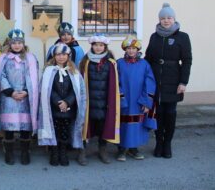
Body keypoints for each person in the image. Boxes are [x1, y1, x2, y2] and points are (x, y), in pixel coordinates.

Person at [145, 3, 192, 159]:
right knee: (158, 113)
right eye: (163, 18)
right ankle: (158, 142)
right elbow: (148, 58)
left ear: (174, 19)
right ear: (159, 19)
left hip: (174, 81)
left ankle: (167, 144)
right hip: (156, 81)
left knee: (170, 113)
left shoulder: (182, 37)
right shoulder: (154, 36)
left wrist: (183, 83)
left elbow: (187, 61)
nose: (166, 21)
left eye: (169, 18)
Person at [0, 29, 39, 165]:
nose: (17, 45)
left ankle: (25, 152)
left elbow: (34, 76)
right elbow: (0, 76)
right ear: (9, 44)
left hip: (26, 96)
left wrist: (26, 91)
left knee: (25, 127)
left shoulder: (31, 58)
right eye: (14, 43)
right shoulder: (3, 58)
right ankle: (9, 152)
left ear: (23, 44)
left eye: (19, 43)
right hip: (9, 98)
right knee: (9, 127)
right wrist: (11, 92)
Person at [38, 43, 86, 167]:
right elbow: (47, 88)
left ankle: (63, 152)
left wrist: (67, 101)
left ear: (68, 56)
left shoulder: (74, 71)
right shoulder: (48, 71)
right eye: (58, 54)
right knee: (54, 130)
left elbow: (76, 89)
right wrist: (58, 101)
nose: (61, 57)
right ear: (54, 56)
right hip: (53, 108)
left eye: (64, 54)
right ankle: (54, 152)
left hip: (68, 108)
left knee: (64, 131)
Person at [78, 34, 120, 165]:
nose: (98, 47)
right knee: (85, 126)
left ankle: (102, 150)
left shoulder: (111, 63)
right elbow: (80, 80)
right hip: (89, 101)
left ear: (105, 47)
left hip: (104, 102)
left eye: (101, 45)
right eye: (95, 45)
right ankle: (82, 151)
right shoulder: (86, 61)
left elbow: (114, 83)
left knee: (103, 126)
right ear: (92, 46)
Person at [116, 36, 157, 162]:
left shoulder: (144, 64)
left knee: (136, 125)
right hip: (124, 100)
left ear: (138, 49)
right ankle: (121, 149)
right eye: (128, 48)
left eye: (133, 48)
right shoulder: (119, 63)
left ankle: (134, 149)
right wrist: (120, 97)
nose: (131, 51)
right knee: (122, 125)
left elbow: (149, 83)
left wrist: (146, 101)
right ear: (125, 49)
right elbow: (115, 82)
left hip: (138, 101)